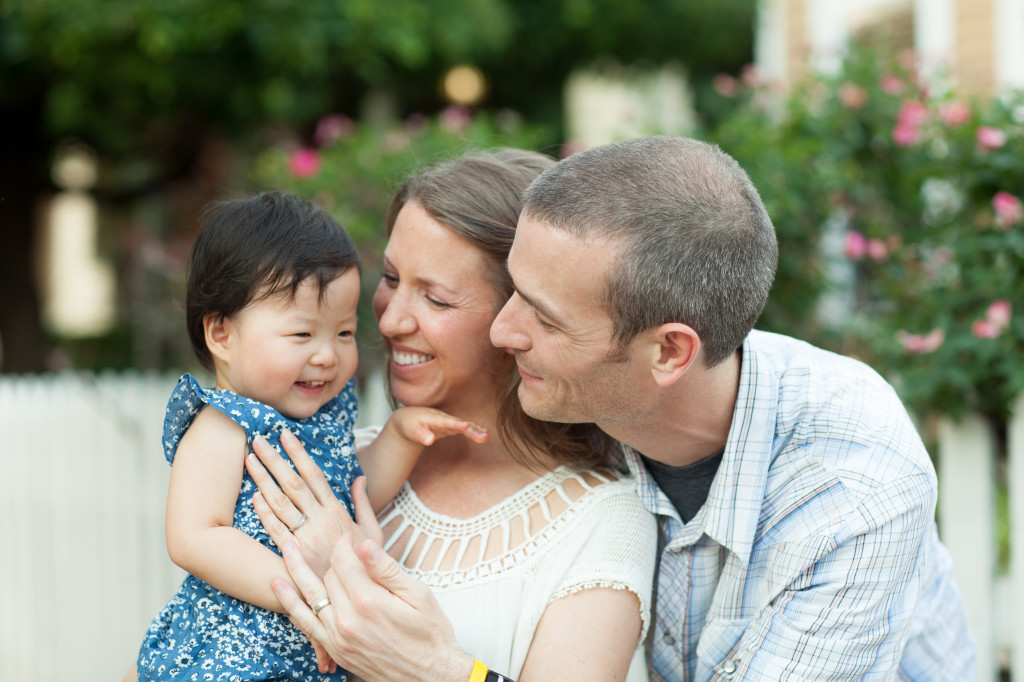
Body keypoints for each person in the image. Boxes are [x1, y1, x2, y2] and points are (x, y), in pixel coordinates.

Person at [262, 137, 975, 681]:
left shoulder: (849, 489)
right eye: (508, 292)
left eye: (541, 316)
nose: (504, 334)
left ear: (668, 353)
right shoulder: (594, 412)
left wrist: (438, 670)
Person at [243, 149, 659, 681]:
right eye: (391, 277)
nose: (390, 320)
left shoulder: (601, 521)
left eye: (435, 300)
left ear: (520, 317)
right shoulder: (326, 465)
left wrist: (414, 657)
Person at [132, 191, 487, 682]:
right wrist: (306, 587)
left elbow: (354, 494)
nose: (326, 356)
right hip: (233, 653)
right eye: (302, 336)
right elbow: (195, 537)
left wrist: (400, 438)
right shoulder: (223, 424)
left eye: (343, 334)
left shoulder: (327, 415)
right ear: (221, 335)